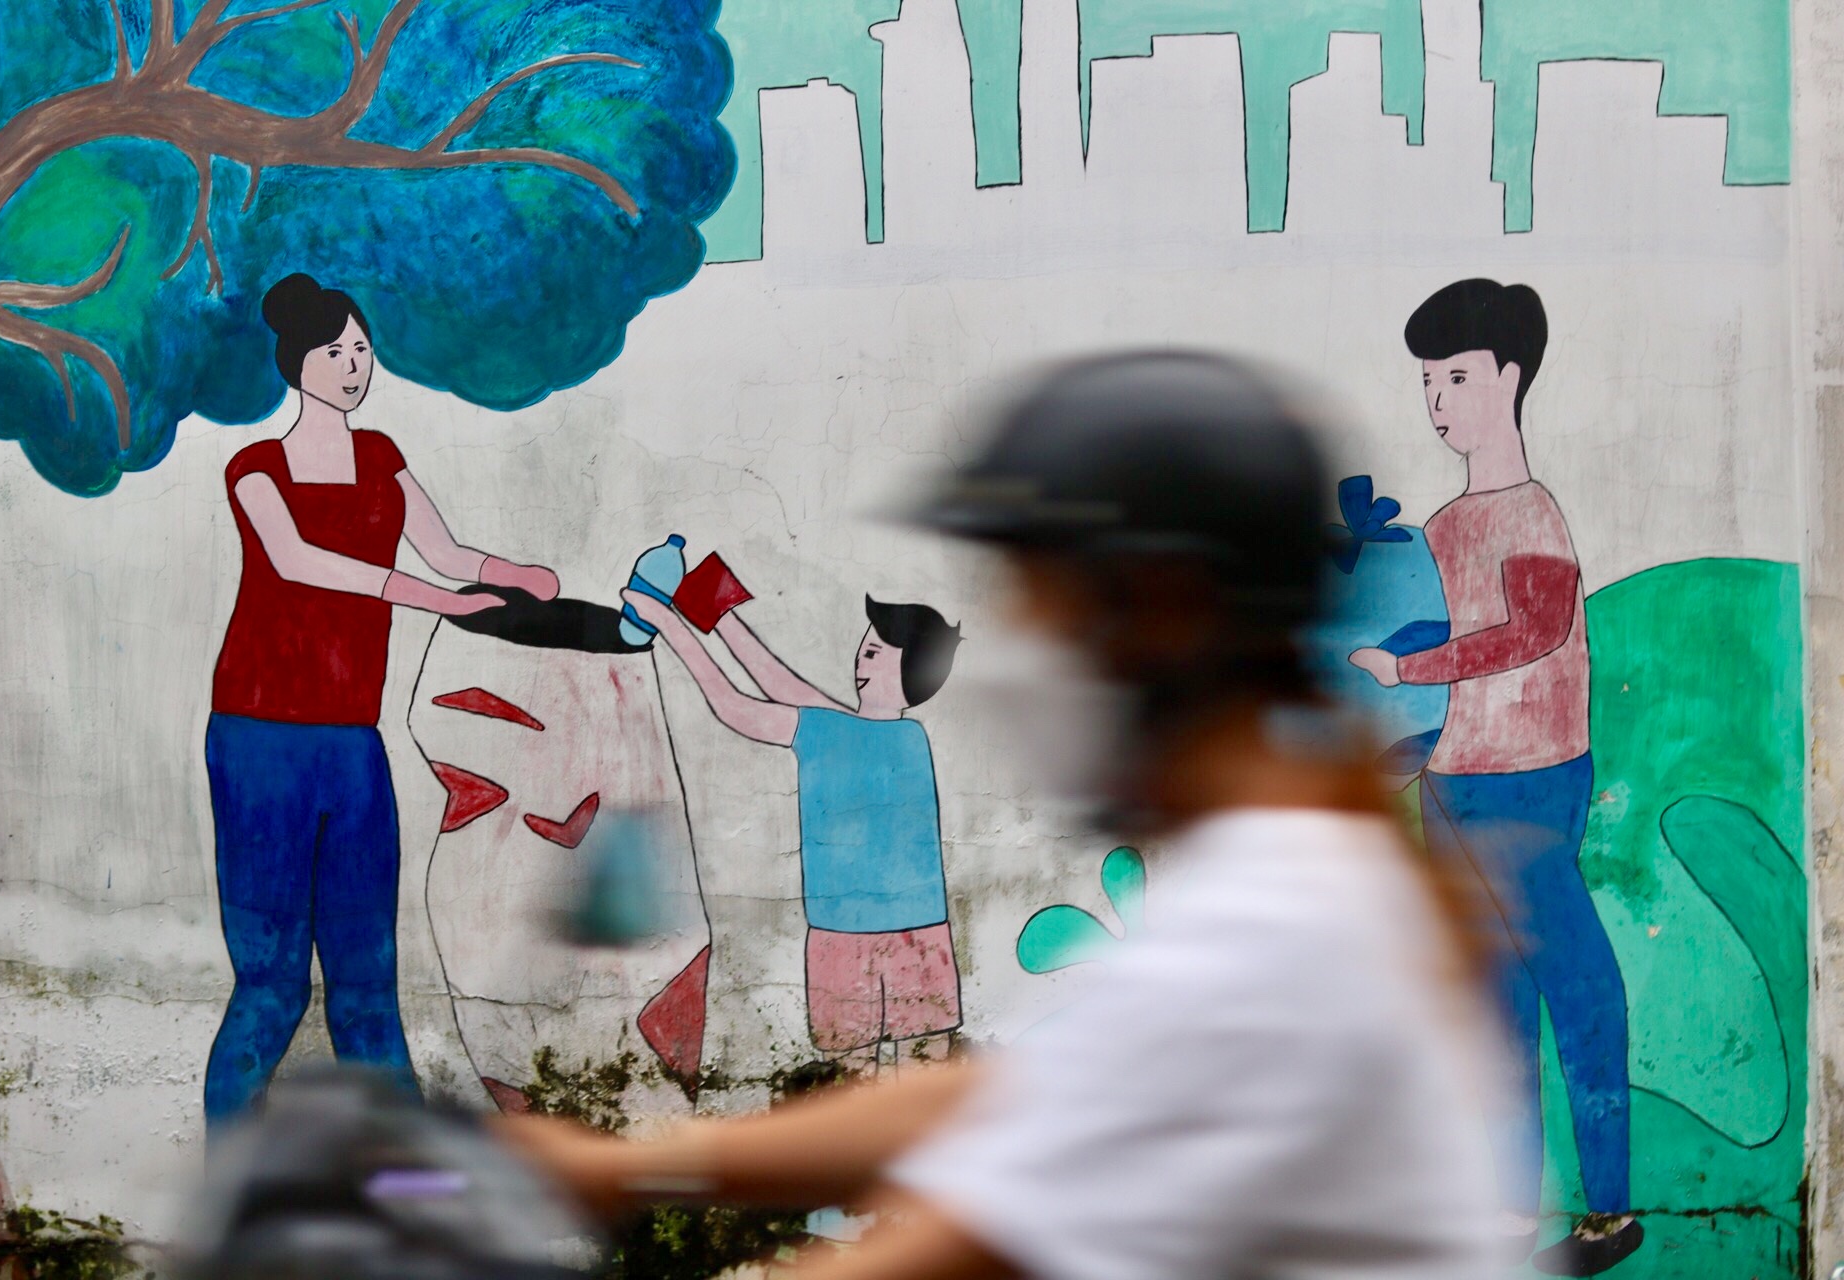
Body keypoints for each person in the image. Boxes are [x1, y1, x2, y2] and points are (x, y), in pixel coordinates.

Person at [500, 352, 1506, 1279]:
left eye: (1034, 599)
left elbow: (968, 1235)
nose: (1014, 656)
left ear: (1160, 605)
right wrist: (643, 1169)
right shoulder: (1293, 864)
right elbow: (995, 1101)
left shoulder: (1268, 927)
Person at [204, 273, 555, 1125]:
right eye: (336, 352)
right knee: (272, 986)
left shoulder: (383, 457)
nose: (354, 365)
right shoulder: (254, 469)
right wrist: (431, 598)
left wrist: (513, 575)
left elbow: (446, 550)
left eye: (362, 349)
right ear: (299, 364)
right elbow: (299, 563)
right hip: (259, 740)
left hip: (351, 745)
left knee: (368, 982)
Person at [1349, 280, 1637, 1275]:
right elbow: (1420, 657)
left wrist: (1410, 667)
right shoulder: (1439, 527)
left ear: (1510, 377)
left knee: (1578, 982)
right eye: (1428, 379)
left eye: (1458, 375)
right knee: (1493, 1007)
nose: (1438, 398)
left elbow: (1530, 633)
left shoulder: (1534, 515)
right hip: (1451, 784)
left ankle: (1609, 1208)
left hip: (1532, 777)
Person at [621, 586, 965, 1072]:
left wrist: (669, 621)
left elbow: (732, 703)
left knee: (853, 1071)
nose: (859, 659)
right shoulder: (908, 737)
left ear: (898, 666)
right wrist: (714, 611)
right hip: (923, 932)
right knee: (923, 1062)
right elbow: (785, 686)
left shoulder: (831, 732)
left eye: (872, 650)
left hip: (842, 934)